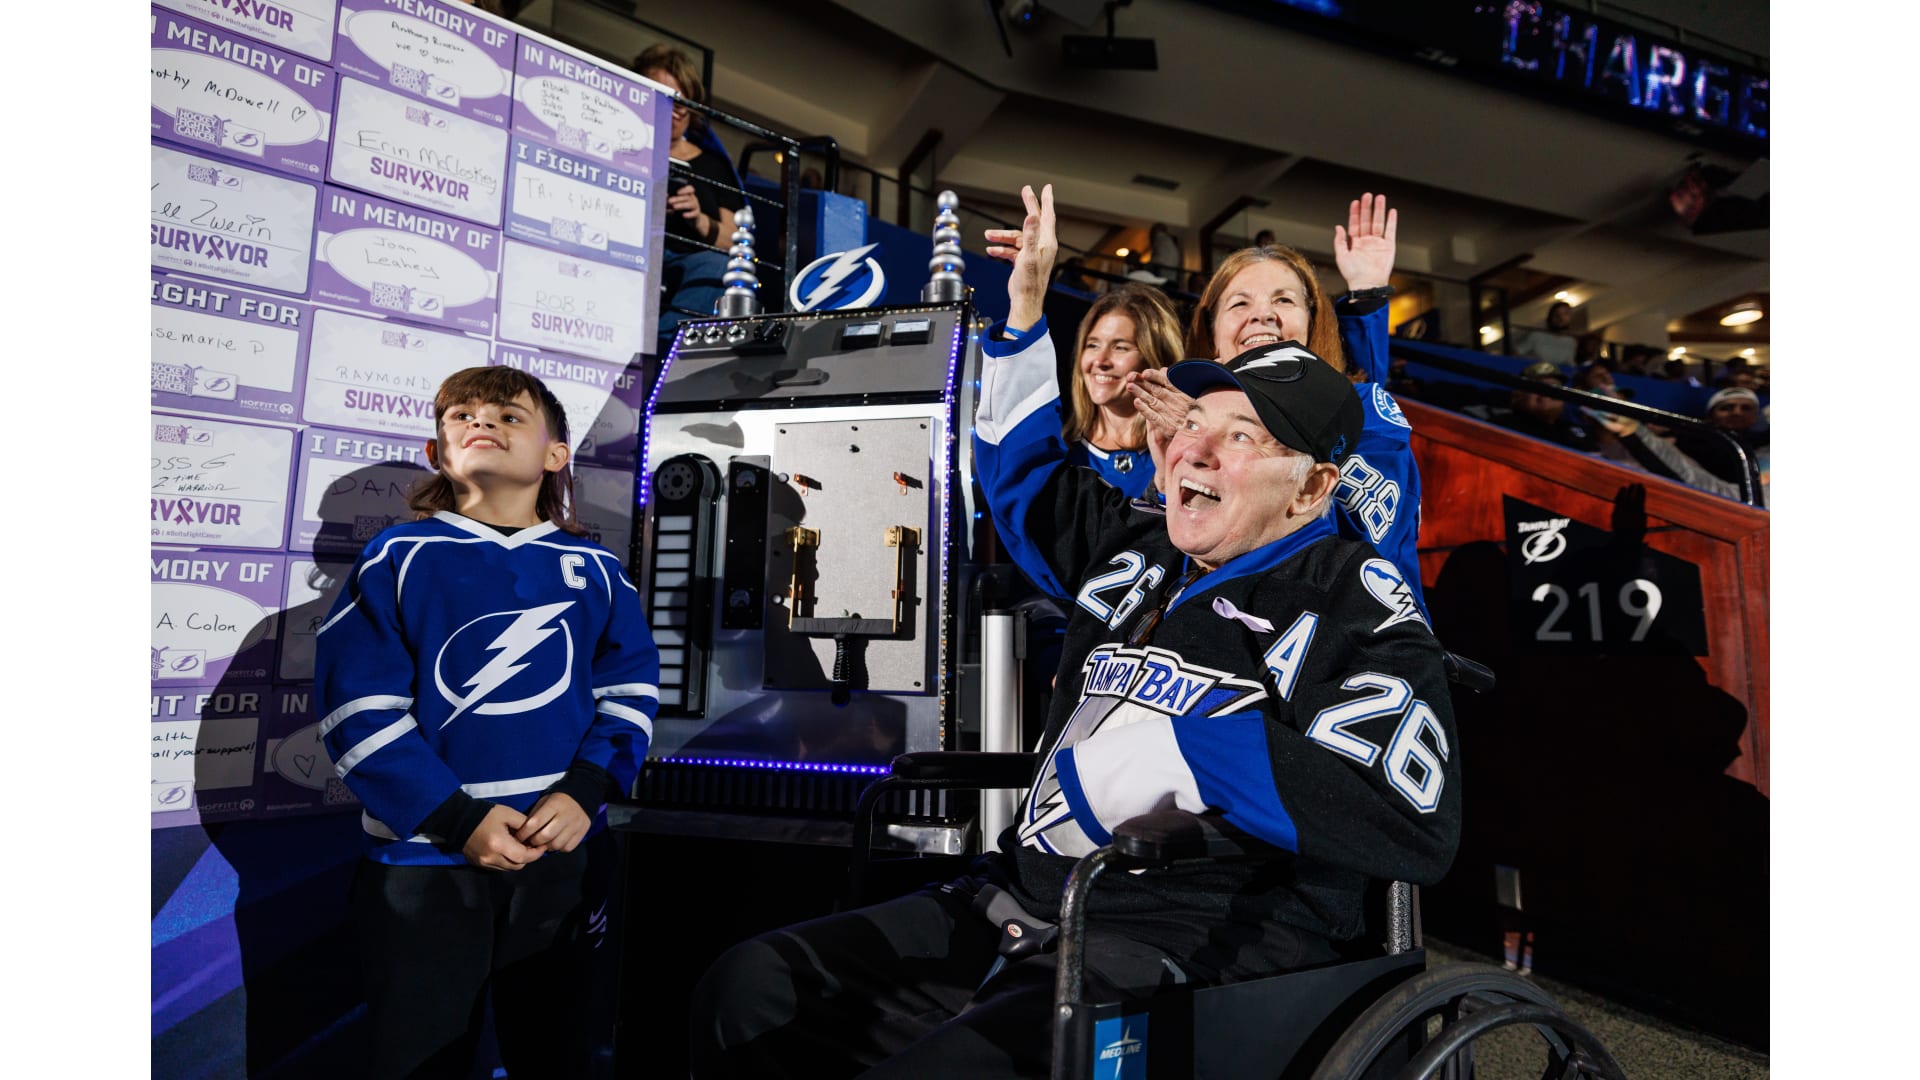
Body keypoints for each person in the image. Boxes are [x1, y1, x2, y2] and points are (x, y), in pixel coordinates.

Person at [687, 184, 1460, 1079]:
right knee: (748, 988)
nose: (1198, 449)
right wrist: (1026, 307)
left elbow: (1408, 815)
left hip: (1192, 932)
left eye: (1241, 436)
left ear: (1316, 485)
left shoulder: (1351, 588)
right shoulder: (1134, 545)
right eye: (1192, 426)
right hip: (1027, 898)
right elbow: (1029, 482)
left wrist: (1187, 754)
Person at [316, 367, 660, 1079]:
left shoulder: (596, 568)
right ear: (437, 452)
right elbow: (357, 709)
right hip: (426, 868)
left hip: (562, 862)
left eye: (508, 415)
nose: (482, 423)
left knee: (560, 1056)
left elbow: (629, 694)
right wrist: (455, 818)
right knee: (419, 1062)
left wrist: (585, 790)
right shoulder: (398, 557)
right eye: (462, 416)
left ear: (555, 454)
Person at [1128, 192, 1429, 615]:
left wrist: (1367, 299)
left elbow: (1353, 547)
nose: (1263, 315)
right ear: (1212, 336)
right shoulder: (1179, 427)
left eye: (1284, 300)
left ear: (1312, 324)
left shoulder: (1369, 413)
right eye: (1240, 303)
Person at [636, 44, 745, 353]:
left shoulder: (713, 164)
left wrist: (698, 219)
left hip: (686, 258)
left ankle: (662, 348)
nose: (673, 110)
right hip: (635, 247)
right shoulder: (623, 148)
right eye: (662, 97)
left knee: (719, 265)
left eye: (681, 101)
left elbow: (734, 239)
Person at [1058, 284, 1185, 499]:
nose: (1100, 361)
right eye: (1093, 345)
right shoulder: (1059, 452)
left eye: (1120, 347)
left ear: (1155, 359)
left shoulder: (1182, 451)